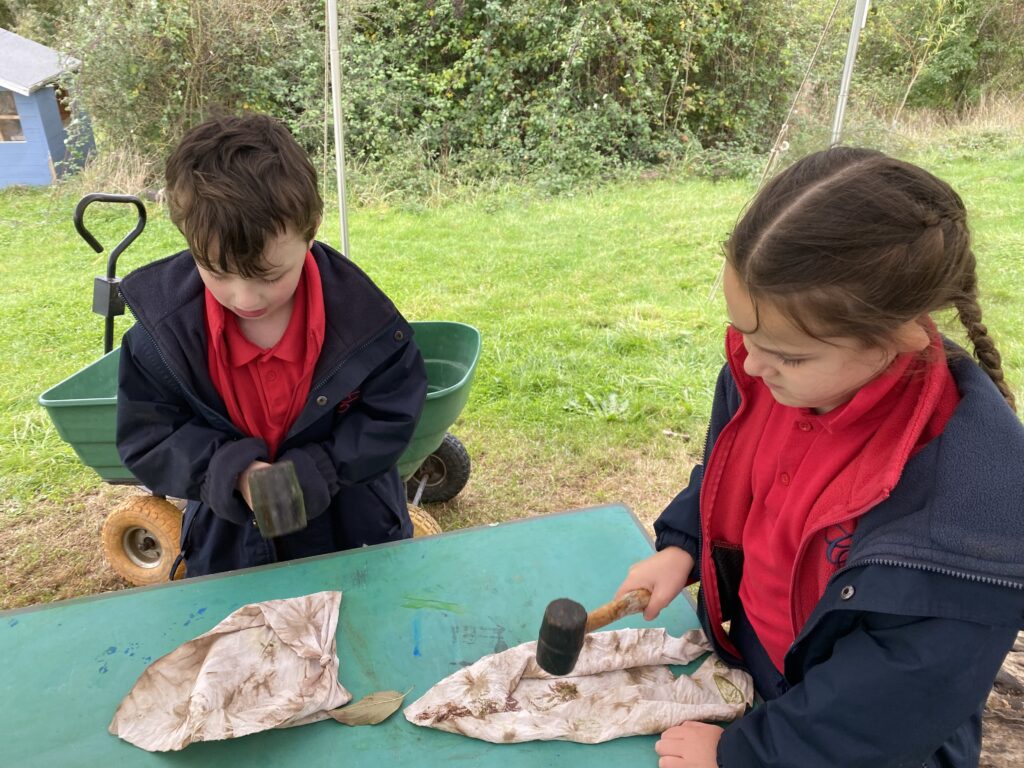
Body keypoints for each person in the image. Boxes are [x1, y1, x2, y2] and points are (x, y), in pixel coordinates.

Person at [615, 147, 1024, 767]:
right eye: (744, 337)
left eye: (785, 353)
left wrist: (747, 754)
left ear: (902, 337)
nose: (751, 364)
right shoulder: (770, 374)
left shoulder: (974, 514)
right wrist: (682, 544)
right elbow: (729, 476)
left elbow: (893, 701)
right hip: (764, 681)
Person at [116, 114, 428, 578]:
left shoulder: (370, 326)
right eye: (216, 272)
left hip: (355, 536)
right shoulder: (160, 340)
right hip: (231, 550)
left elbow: (391, 412)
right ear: (188, 240)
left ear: (311, 228)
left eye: (269, 274)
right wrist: (230, 471)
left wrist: (321, 467)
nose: (244, 298)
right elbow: (149, 436)